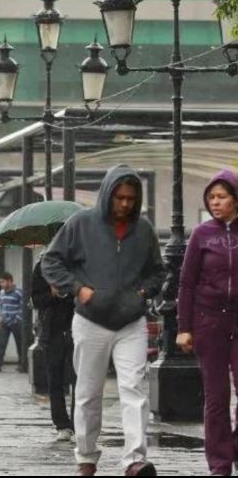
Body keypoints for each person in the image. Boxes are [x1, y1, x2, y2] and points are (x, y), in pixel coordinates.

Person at [42, 164, 165, 476]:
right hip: (90, 320)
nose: (125, 204)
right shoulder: (81, 223)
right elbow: (51, 261)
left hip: (131, 322)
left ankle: (135, 461)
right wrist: (78, 289)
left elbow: (158, 271)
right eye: (119, 197)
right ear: (108, 194)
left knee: (134, 389)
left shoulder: (145, 229)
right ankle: (85, 457)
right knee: (87, 391)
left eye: (131, 199)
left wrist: (142, 293)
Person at [175, 170, 238, 476]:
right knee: (217, 398)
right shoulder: (201, 234)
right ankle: (220, 465)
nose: (215, 202)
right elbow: (186, 284)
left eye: (222, 197)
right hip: (208, 321)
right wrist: (183, 328)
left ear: (235, 199)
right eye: (211, 197)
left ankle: (235, 447)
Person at [32, 255, 76, 442]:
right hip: (52, 330)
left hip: (78, 327)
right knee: (55, 378)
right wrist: (52, 294)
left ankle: (78, 424)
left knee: (80, 379)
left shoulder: (80, 262)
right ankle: (62, 425)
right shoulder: (42, 267)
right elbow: (36, 300)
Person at [0, 272, 25, 373]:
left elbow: (22, 307)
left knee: (20, 344)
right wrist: (0, 316)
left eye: (3, 282)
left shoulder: (18, 292)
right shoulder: (1, 293)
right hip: (4, 322)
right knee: (1, 343)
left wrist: (18, 318)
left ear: (10, 281)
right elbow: (1, 305)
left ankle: (23, 364)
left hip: (16, 322)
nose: (1, 284)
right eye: (0, 282)